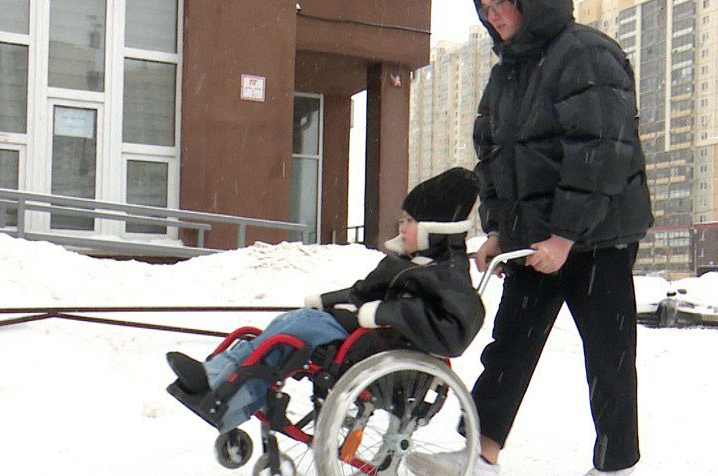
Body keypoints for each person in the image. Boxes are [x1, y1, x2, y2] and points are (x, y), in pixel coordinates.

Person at [409, 0, 653, 476]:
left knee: (607, 350)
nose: (493, 16)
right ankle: (480, 457)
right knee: (511, 344)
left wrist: (565, 236)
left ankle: (617, 464)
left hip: (597, 237)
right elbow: (497, 157)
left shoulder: (587, 55)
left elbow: (601, 151)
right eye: (485, 8)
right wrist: (497, 230)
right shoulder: (509, 74)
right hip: (533, 239)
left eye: (501, 3)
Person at [166, 167, 485, 434]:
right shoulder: (401, 265)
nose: (401, 228)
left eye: (409, 222)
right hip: (363, 340)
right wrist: (326, 300)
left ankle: (222, 390)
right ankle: (216, 378)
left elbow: (452, 333)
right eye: (401, 220)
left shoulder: (448, 275)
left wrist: (384, 313)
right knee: (286, 326)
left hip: (381, 351)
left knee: (293, 331)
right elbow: (361, 292)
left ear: (434, 229)